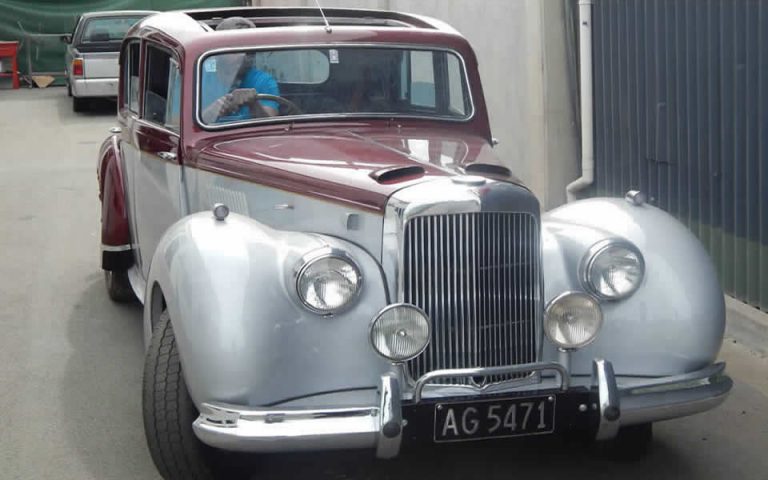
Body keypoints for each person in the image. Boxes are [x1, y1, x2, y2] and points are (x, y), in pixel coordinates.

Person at [200, 17, 280, 123]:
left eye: (249, 51)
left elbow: (271, 126)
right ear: (218, 51)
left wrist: (254, 104)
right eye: (236, 49)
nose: (244, 55)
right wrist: (212, 112)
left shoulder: (264, 80)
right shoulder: (199, 78)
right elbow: (177, 124)